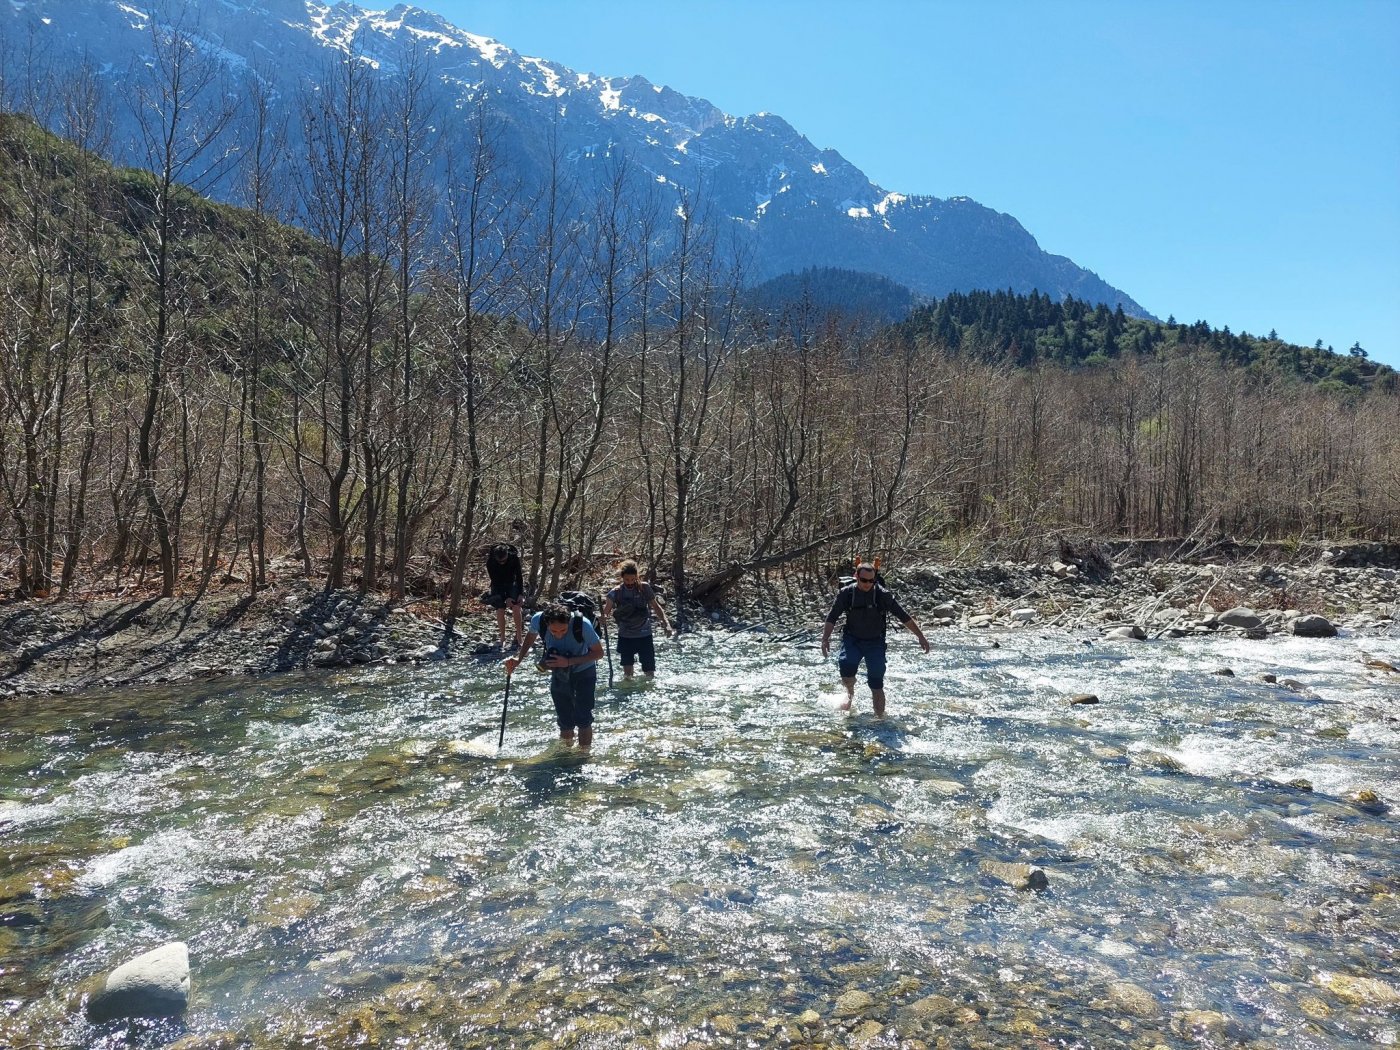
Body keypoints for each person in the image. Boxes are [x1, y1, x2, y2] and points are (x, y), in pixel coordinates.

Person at [820, 562, 929, 716]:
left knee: (876, 682)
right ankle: (849, 693)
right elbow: (832, 617)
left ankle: (880, 719)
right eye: (864, 580)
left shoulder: (882, 595)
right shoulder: (846, 594)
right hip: (853, 639)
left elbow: (903, 616)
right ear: (856, 577)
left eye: (872, 581)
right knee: (846, 667)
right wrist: (825, 638)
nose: (868, 584)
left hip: (875, 642)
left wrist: (920, 636)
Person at [505, 602, 605, 748]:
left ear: (569, 622)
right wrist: (518, 659)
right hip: (559, 673)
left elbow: (599, 653)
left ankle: (584, 756)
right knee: (565, 720)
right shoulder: (538, 620)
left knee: (583, 718)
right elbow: (530, 637)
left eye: (563, 630)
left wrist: (569, 661)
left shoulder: (583, 624)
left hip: (584, 672)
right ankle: (566, 755)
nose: (558, 635)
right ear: (547, 623)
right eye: (554, 632)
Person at [600, 560, 673, 680]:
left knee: (649, 673)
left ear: (637, 577)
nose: (630, 582)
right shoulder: (616, 593)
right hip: (626, 636)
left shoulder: (644, 588)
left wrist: (667, 624)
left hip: (645, 635)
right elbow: (606, 611)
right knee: (628, 676)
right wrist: (603, 617)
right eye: (627, 580)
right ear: (622, 578)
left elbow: (655, 606)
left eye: (632, 580)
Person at [482, 542, 524, 648]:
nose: (502, 563)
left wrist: (520, 593)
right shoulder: (490, 562)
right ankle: (502, 638)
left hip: (512, 582)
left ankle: (519, 636)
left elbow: (519, 576)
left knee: (516, 607)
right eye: (499, 561)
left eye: (504, 560)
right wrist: (505, 598)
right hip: (498, 585)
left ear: (507, 555)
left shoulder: (514, 557)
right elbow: (495, 581)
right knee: (500, 609)